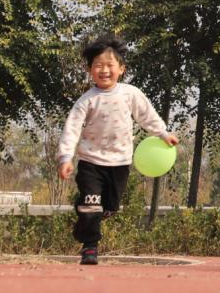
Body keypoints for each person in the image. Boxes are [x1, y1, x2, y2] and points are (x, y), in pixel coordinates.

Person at [56, 34, 178, 266]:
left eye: (109, 65)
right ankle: (90, 247)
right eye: (98, 65)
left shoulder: (130, 94)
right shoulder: (86, 101)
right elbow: (71, 129)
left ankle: (85, 216)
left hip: (120, 162)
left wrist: (163, 133)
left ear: (121, 68)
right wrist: (65, 157)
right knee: (91, 204)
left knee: (109, 208)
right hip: (90, 162)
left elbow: (147, 116)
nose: (104, 70)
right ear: (90, 70)